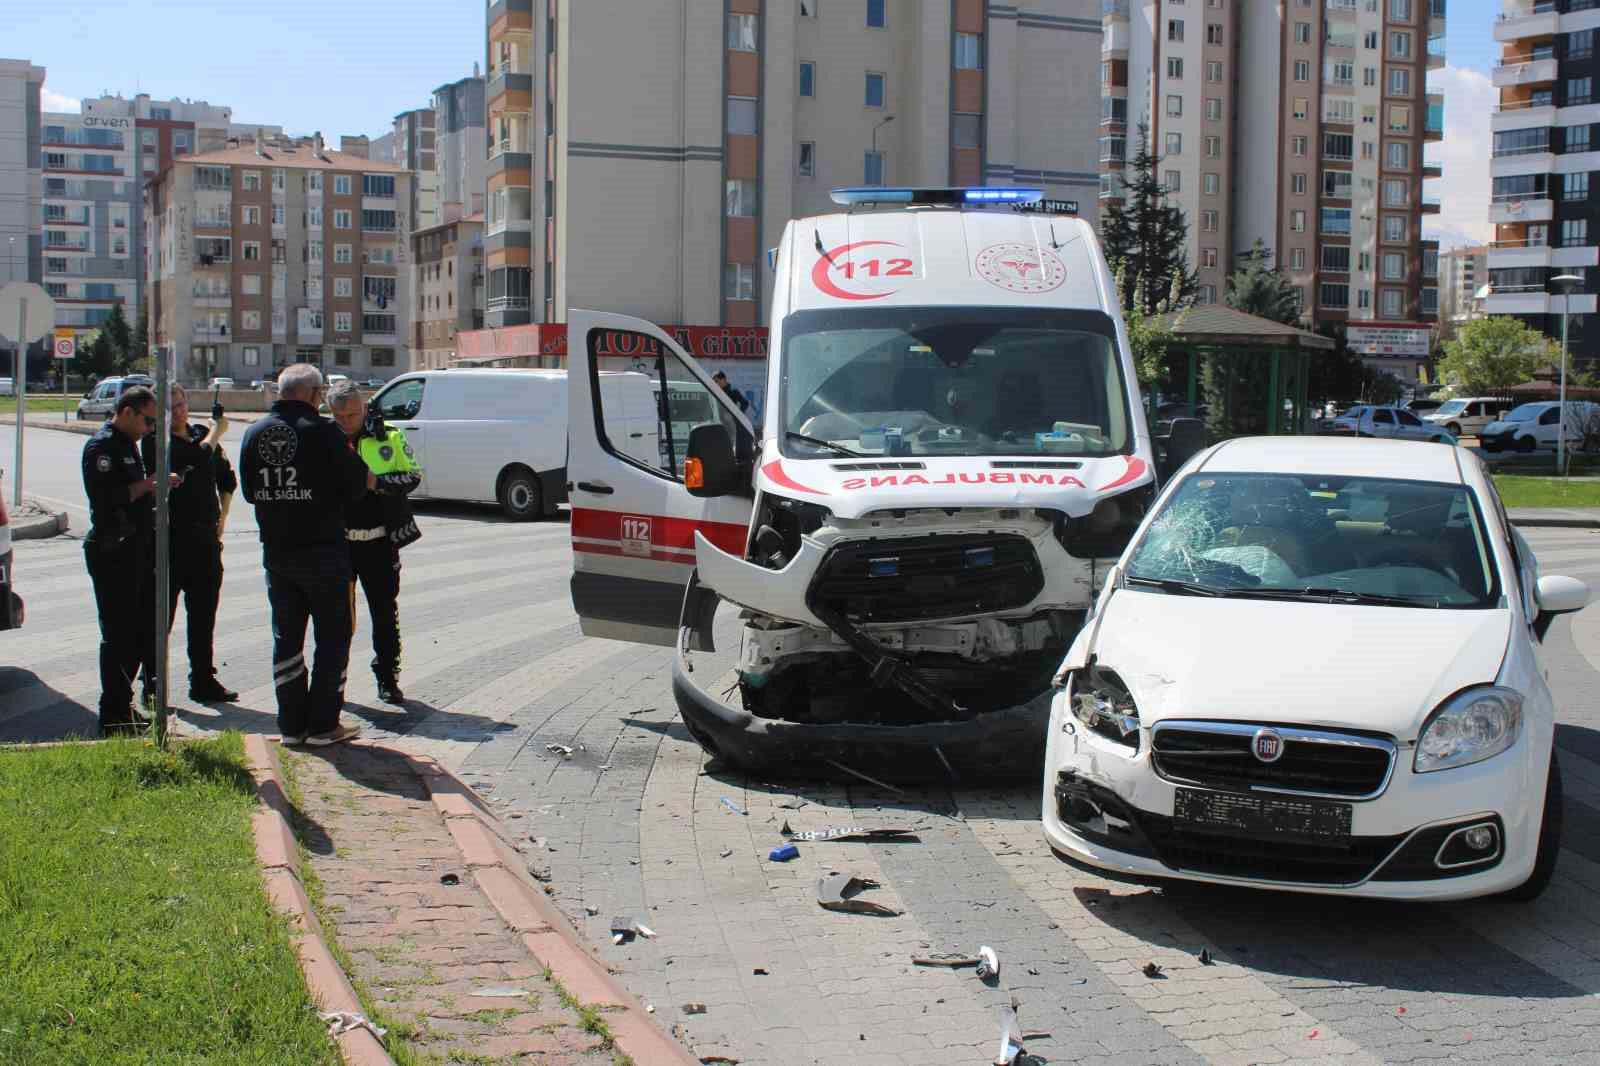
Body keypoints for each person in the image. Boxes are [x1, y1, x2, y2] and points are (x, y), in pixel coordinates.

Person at [240, 364, 371, 747]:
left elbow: (249, 492)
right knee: (333, 636)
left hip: (278, 554)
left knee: (287, 638)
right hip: (324, 553)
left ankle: (291, 726)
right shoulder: (324, 433)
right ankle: (323, 724)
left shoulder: (253, 433)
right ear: (314, 394)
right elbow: (355, 485)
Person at [81, 386, 173, 734]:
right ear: (128, 412)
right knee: (118, 636)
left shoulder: (128, 445)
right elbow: (106, 498)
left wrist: (154, 487)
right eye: (147, 420)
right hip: (111, 551)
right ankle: (113, 713)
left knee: (136, 634)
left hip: (133, 549)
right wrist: (149, 485)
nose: (149, 429)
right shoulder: (102, 447)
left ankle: (124, 706)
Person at [141, 383, 239, 702]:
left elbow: (227, 478)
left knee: (203, 615)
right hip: (170, 540)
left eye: (181, 403)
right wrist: (216, 432)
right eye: (170, 407)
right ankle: (152, 684)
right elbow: (194, 459)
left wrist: (222, 518)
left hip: (205, 540)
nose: (179, 411)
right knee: (161, 617)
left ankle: (203, 680)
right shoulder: (155, 442)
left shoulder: (201, 433)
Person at [326, 380, 422, 705]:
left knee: (384, 611)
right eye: (338, 416)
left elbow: (413, 476)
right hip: (339, 544)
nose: (346, 422)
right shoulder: (324, 440)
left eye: (352, 415)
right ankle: (333, 682)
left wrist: (376, 482)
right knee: (337, 617)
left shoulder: (388, 435)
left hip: (380, 542)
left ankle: (387, 676)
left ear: (364, 408)